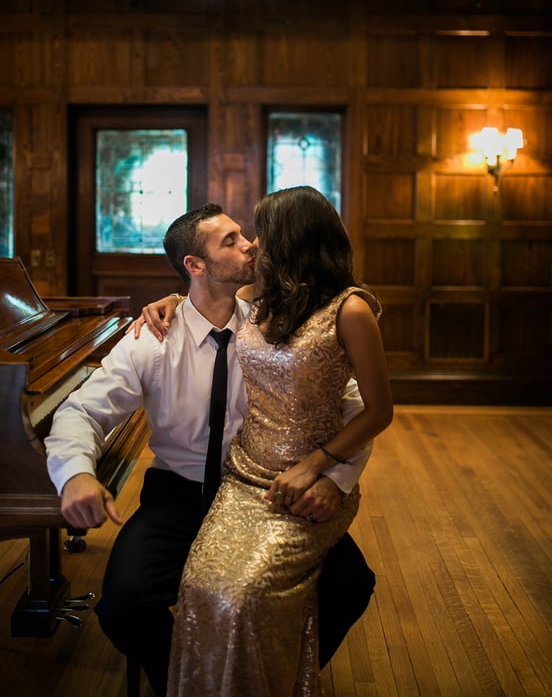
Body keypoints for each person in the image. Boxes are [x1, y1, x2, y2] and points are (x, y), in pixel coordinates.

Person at [44, 202, 376, 697]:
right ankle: (189, 681)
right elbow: (81, 411)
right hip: (177, 497)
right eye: (231, 241)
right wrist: (75, 473)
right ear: (194, 266)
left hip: (264, 495)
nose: (251, 246)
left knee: (352, 584)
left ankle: (274, 680)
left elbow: (349, 406)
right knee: (123, 605)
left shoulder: (274, 326)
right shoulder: (151, 339)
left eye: (245, 235)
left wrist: (335, 478)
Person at [166, 187, 393, 697]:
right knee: (201, 586)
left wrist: (321, 466)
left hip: (307, 483)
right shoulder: (260, 297)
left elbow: (379, 410)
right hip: (245, 475)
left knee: (248, 594)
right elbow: (201, 299)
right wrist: (165, 302)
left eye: (262, 231)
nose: (253, 244)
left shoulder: (351, 310)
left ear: (293, 238)